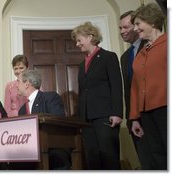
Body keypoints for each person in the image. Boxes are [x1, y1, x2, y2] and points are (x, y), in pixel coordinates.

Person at [71, 22, 123, 170]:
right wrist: (81, 120)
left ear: (90, 37)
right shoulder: (82, 64)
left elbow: (116, 86)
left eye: (79, 40)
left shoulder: (108, 57)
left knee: (109, 157)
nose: (77, 44)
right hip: (87, 120)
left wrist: (117, 113)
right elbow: (83, 92)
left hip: (106, 116)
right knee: (92, 158)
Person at [129, 3, 167, 170]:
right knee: (156, 155)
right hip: (147, 114)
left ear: (152, 21)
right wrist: (135, 118)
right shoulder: (140, 54)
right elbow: (135, 88)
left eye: (138, 24)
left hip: (166, 108)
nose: (135, 28)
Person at [9, 69, 71, 170]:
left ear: (27, 84)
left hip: (52, 146)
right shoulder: (22, 110)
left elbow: (59, 124)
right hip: (30, 150)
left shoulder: (50, 97)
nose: (16, 85)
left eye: (18, 82)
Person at [119, 11, 151, 169]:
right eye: (120, 28)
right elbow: (128, 87)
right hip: (134, 116)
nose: (122, 31)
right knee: (144, 159)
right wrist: (130, 116)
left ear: (136, 26)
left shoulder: (151, 45)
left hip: (153, 111)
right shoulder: (124, 57)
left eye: (126, 27)